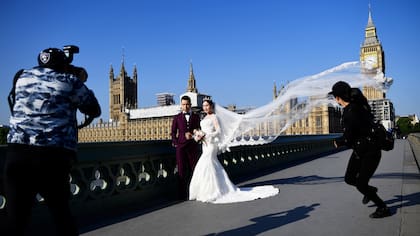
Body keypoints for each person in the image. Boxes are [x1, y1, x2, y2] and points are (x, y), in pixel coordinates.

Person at [3, 47, 101, 235]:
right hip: (52, 157)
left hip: (17, 154)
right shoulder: (70, 80)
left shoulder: (21, 76)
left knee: (15, 220)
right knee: (60, 215)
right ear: (63, 65)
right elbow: (94, 109)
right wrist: (78, 81)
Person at [189, 99, 279, 203]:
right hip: (205, 144)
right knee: (209, 164)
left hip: (212, 144)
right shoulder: (204, 117)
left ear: (211, 106)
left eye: (207, 106)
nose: (205, 108)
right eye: (204, 106)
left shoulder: (214, 117)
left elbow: (219, 131)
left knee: (206, 163)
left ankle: (213, 191)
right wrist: (198, 134)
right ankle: (210, 190)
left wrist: (207, 135)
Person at [329, 81, 391, 218]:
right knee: (349, 179)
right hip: (360, 150)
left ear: (338, 98)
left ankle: (383, 207)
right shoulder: (355, 106)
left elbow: (348, 137)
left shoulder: (351, 112)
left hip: (370, 152)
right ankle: (371, 191)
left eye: (335, 97)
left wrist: (338, 142)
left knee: (361, 184)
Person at [171, 95, 201, 200]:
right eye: (183, 104)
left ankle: (194, 193)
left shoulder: (196, 117)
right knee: (181, 171)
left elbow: (199, 131)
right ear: (181, 105)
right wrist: (176, 142)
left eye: (187, 104)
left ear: (190, 105)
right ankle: (181, 195)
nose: (186, 106)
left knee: (194, 170)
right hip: (181, 147)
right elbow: (173, 132)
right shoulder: (177, 117)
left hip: (193, 147)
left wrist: (194, 135)